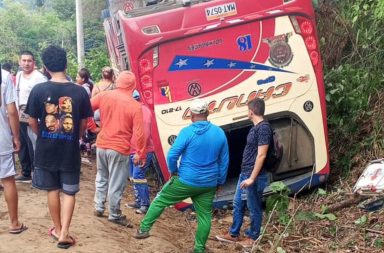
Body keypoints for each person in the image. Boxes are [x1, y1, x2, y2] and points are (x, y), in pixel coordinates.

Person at [134, 98, 229, 253]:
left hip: (186, 180)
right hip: (209, 183)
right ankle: (199, 249)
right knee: (204, 216)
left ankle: (144, 229)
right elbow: (224, 161)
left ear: (191, 115)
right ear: (208, 112)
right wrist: (220, 182)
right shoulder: (219, 133)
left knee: (160, 200)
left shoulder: (187, 132)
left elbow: (172, 155)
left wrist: (173, 171)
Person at [25, 45, 93, 249]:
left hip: (46, 151)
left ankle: (57, 228)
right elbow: (82, 123)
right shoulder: (79, 91)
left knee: (52, 190)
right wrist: (75, 137)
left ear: (44, 67)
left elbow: (31, 120)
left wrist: (42, 136)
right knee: (69, 192)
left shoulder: (39, 89)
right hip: (69, 152)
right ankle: (64, 232)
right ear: (66, 63)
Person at [91, 71, 146, 226]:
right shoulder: (135, 106)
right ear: (133, 86)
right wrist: (141, 153)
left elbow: (86, 107)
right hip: (119, 148)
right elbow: (140, 134)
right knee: (116, 182)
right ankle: (114, 213)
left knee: (102, 177)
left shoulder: (104, 96)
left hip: (102, 144)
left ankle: (99, 206)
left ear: (117, 82)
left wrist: (91, 126)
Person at [215, 98, 271, 248]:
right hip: (245, 173)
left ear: (251, 111)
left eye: (248, 110)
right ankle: (234, 234)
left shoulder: (264, 128)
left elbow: (262, 155)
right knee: (237, 203)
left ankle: (253, 238)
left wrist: (252, 178)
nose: (247, 113)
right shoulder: (255, 128)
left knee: (253, 207)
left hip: (254, 176)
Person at [0, 68, 28, 234]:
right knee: (8, 180)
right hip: (2, 139)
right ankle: (14, 223)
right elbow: (12, 111)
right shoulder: (4, 76)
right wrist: (16, 137)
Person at [15, 50, 47, 182]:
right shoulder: (18, 75)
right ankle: (26, 171)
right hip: (20, 115)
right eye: (24, 60)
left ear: (34, 62)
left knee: (34, 144)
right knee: (22, 144)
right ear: (19, 62)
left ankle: (37, 174)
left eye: (29, 61)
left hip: (34, 117)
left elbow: (44, 99)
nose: (26, 63)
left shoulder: (39, 78)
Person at [126, 90, 155, 214]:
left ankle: (145, 204)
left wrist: (140, 152)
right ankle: (138, 201)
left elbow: (145, 134)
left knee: (138, 176)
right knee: (133, 176)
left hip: (141, 150)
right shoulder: (135, 110)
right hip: (132, 149)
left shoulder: (143, 111)